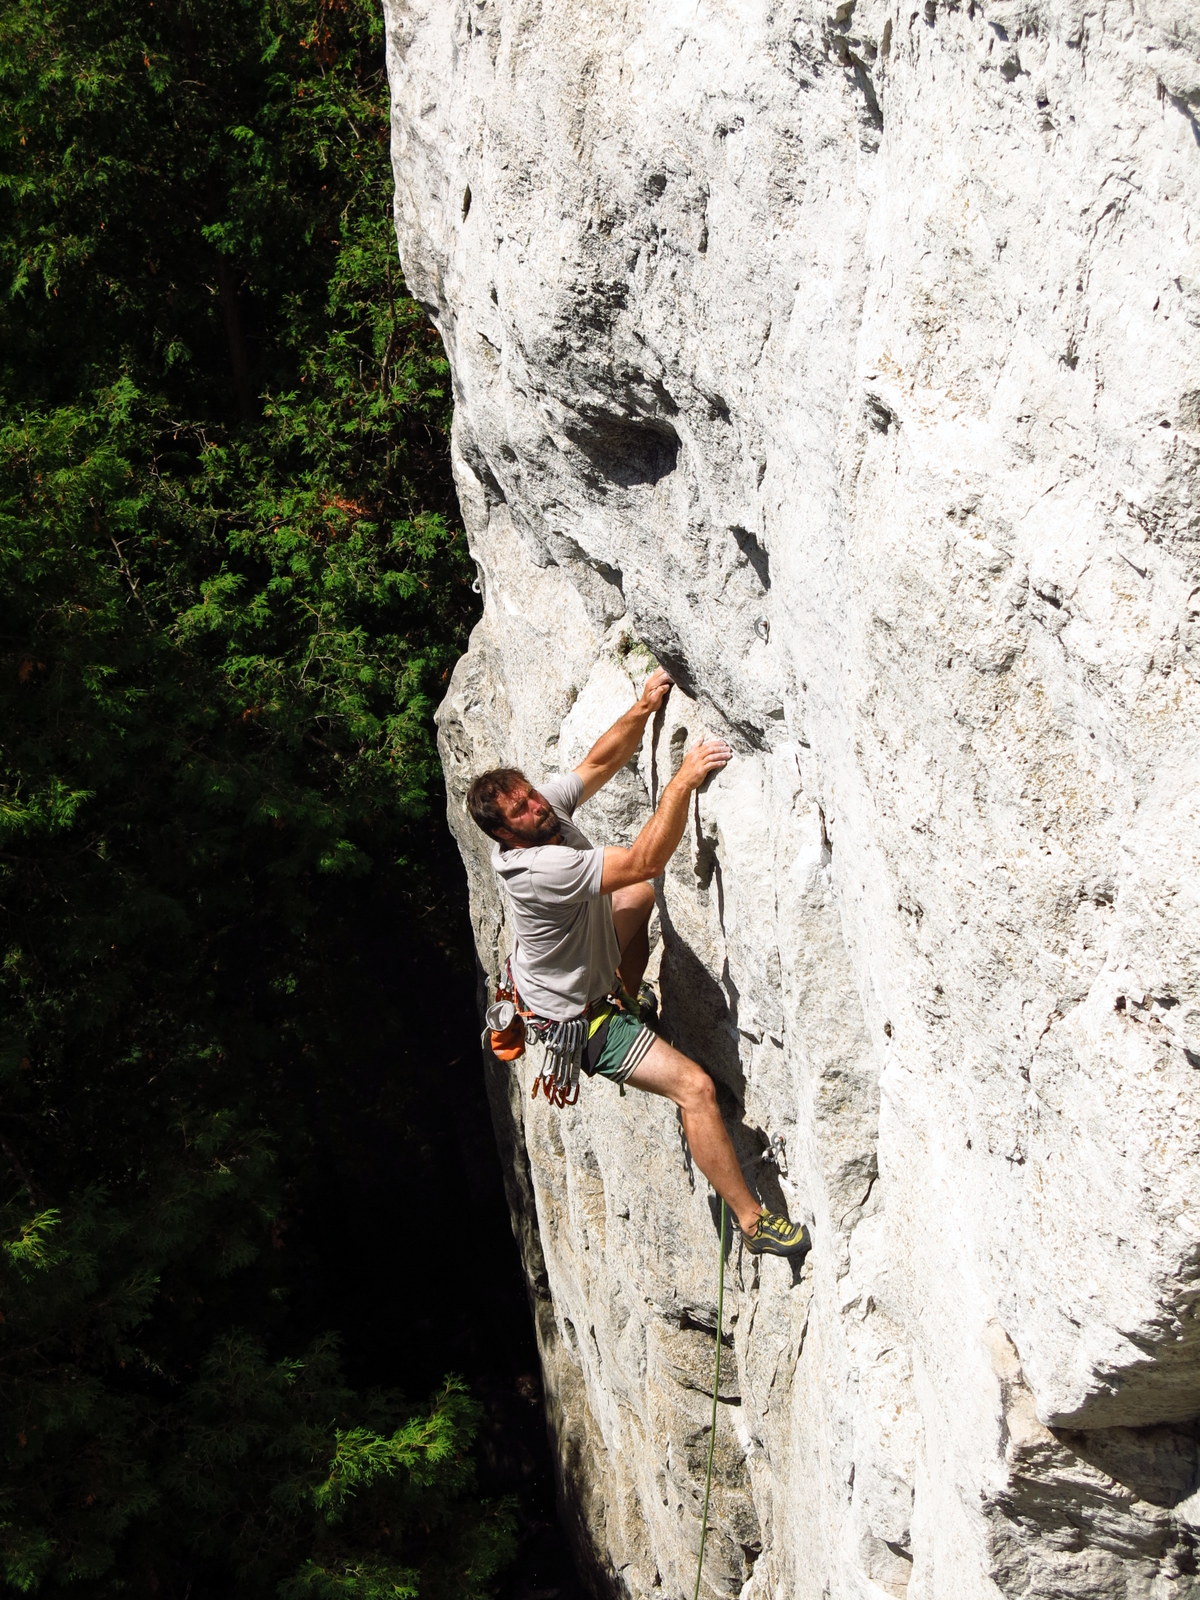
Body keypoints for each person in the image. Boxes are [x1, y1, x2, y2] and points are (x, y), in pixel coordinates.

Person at [466, 668, 810, 1258]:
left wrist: (643, 707)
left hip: (576, 979)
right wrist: (682, 780)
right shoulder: (540, 871)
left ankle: (627, 990)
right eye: (520, 809)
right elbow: (647, 858)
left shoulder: (540, 816)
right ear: (504, 834)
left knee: (637, 902)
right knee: (696, 1089)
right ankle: (754, 1222)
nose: (535, 805)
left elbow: (597, 764)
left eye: (530, 793)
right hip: (581, 1023)